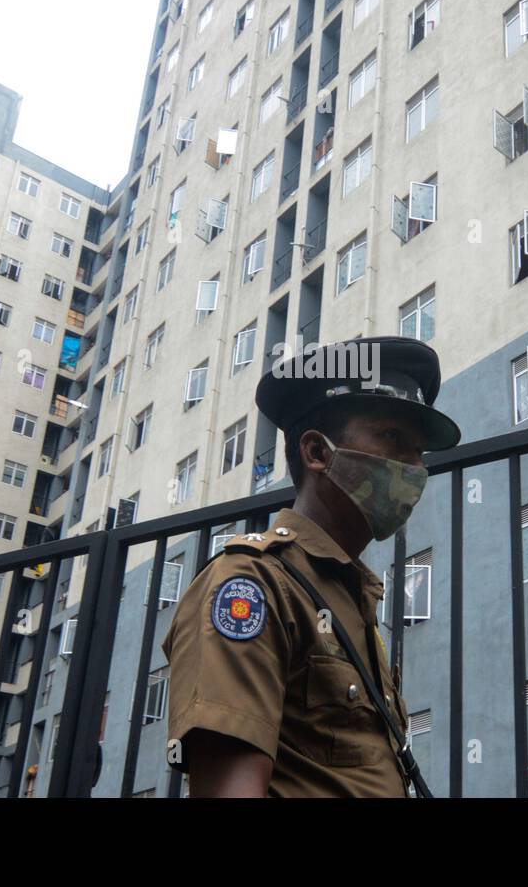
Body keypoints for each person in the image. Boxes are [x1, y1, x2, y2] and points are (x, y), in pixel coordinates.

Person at [161, 336, 461, 797]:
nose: (415, 467)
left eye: (419, 451)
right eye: (394, 439)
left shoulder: (350, 596)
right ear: (317, 453)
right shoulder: (252, 584)